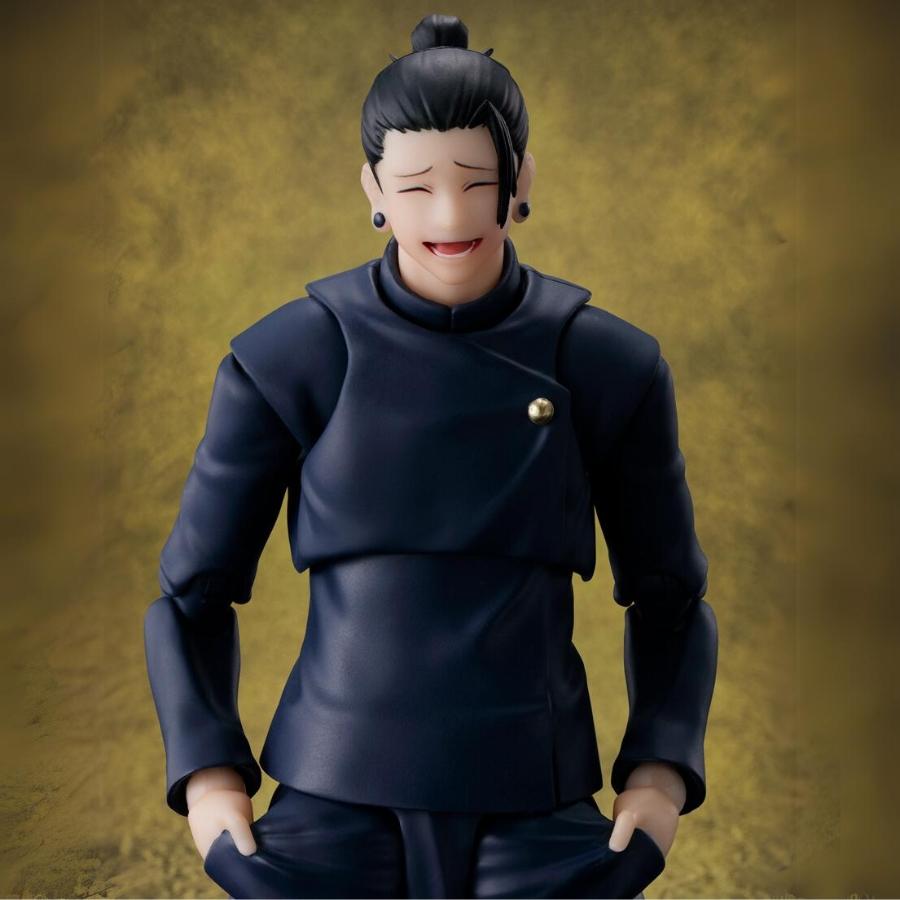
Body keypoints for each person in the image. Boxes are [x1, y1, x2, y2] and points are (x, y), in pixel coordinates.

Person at [143, 13, 718, 899]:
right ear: (371, 186)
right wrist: (209, 772)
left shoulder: (607, 364)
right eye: (415, 187)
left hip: (535, 783)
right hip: (334, 780)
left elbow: (670, 594)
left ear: (521, 181)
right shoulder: (292, 357)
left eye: (477, 183)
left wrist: (660, 768)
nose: (449, 217)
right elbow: (193, 592)